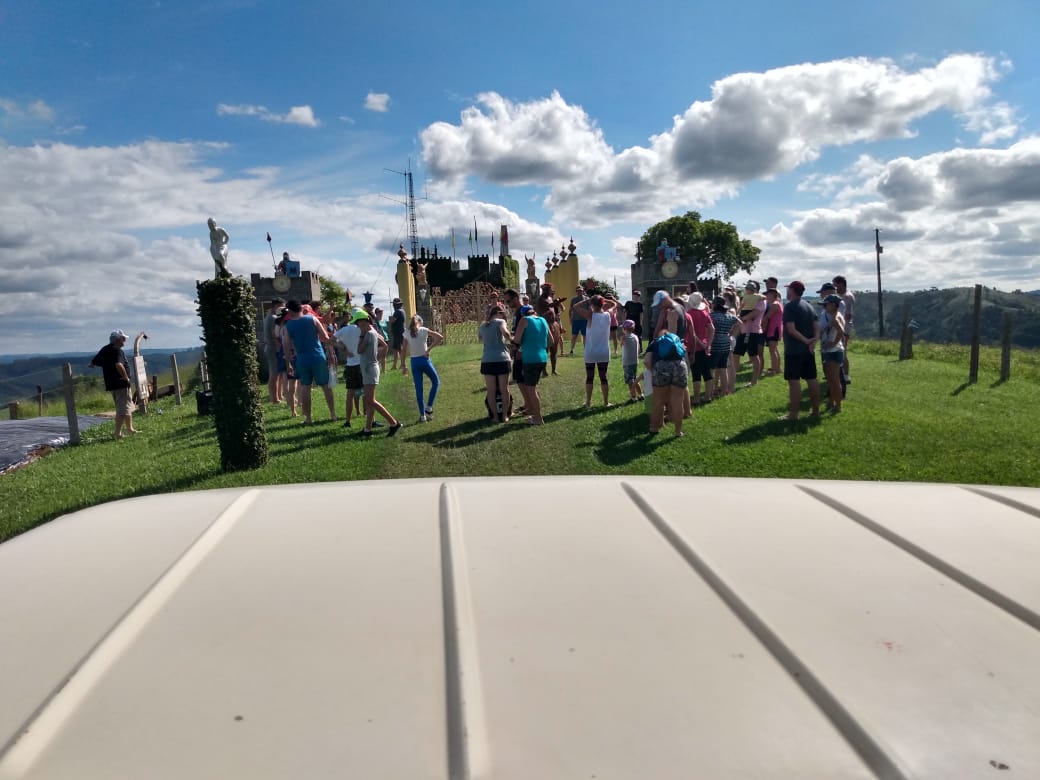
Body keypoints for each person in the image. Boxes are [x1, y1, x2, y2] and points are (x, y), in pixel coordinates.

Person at [281, 299, 337, 425]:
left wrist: (288, 363)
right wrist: (331, 352)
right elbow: (325, 337)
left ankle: (308, 418)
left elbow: (286, 345)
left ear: (290, 311)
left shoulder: (288, 326)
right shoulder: (312, 319)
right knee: (326, 386)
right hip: (318, 356)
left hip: (302, 359)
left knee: (305, 387)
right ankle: (333, 414)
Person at [353, 310, 402, 437]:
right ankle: (367, 430)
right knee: (370, 401)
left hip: (370, 370)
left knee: (370, 400)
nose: (357, 326)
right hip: (370, 368)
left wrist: (361, 335)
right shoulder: (373, 332)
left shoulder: (368, 333)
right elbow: (384, 345)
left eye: (358, 323)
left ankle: (394, 423)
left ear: (364, 321)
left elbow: (359, 350)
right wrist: (377, 358)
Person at [781, 281, 821, 421]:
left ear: (792, 290)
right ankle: (815, 411)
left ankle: (793, 414)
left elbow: (791, 329)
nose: (787, 291)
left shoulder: (789, 307)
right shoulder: (809, 306)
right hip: (808, 351)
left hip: (794, 350)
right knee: (812, 379)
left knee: (794, 381)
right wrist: (813, 341)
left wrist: (806, 341)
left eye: (788, 289)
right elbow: (817, 326)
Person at [88, 330, 138, 439]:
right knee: (122, 409)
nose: (124, 341)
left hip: (111, 384)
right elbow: (119, 365)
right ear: (117, 340)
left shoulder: (105, 349)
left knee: (126, 406)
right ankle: (117, 433)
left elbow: (92, 363)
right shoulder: (117, 350)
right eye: (123, 339)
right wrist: (125, 377)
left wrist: (106, 365)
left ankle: (130, 429)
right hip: (121, 383)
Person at [572, 294, 617, 408]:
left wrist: (587, 299)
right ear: (602, 303)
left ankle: (588, 402)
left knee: (590, 377)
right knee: (604, 377)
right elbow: (614, 304)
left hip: (591, 351)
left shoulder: (590, 315)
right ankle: (606, 402)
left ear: (592, 304)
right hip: (604, 351)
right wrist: (605, 299)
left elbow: (575, 306)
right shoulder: (608, 314)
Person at [645, 329, 688, 437]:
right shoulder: (678, 341)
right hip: (680, 366)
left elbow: (646, 361)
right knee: (678, 401)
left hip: (661, 367)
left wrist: (653, 371)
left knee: (658, 401)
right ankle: (678, 431)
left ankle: (654, 428)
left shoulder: (655, 342)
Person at [402, 314, 444, 422]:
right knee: (436, 382)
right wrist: (428, 349)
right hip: (424, 360)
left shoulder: (407, 333)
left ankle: (422, 415)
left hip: (414, 362)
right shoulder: (423, 330)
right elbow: (440, 337)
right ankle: (429, 407)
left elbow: (403, 349)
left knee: (419, 389)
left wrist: (403, 365)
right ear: (420, 322)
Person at [512, 305, 549, 424]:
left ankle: (538, 418)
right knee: (533, 387)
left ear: (523, 314)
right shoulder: (543, 320)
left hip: (530, 359)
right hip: (542, 358)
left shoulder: (524, 320)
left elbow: (516, 340)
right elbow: (551, 341)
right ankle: (535, 414)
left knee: (531, 390)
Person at [478, 304, 513, 423]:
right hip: (502, 359)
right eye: (503, 314)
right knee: (504, 389)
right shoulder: (500, 322)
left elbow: (481, 339)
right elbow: (505, 333)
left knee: (491, 390)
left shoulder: (483, 325)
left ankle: (495, 417)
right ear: (498, 313)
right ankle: (505, 416)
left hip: (487, 359)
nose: (504, 316)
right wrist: (512, 340)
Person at [334, 312, 364, 427]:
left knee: (350, 394)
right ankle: (369, 416)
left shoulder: (343, 330)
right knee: (366, 392)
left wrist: (344, 349)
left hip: (350, 364)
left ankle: (348, 420)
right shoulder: (361, 329)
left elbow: (330, 340)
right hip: (361, 363)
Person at [685, 292, 716, 404]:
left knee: (696, 373)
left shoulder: (689, 314)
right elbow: (712, 329)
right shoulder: (705, 313)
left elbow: (692, 334)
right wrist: (708, 344)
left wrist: (700, 344)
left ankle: (696, 398)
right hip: (705, 346)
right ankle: (708, 396)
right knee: (707, 372)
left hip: (693, 347)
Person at [736, 280, 766, 386]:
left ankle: (754, 381)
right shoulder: (747, 298)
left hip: (753, 331)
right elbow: (741, 308)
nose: (747, 289)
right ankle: (732, 377)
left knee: (753, 355)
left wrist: (742, 318)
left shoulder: (760, 300)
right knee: (736, 354)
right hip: (743, 330)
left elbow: (755, 313)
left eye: (749, 288)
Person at [709, 296, 740, 398]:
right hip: (726, 344)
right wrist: (732, 334)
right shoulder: (729, 316)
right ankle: (723, 392)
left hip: (714, 344)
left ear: (715, 305)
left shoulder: (711, 316)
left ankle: (710, 392)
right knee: (723, 368)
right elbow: (739, 323)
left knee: (712, 369)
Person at [820, 294, 846, 414]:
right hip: (830, 351)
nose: (825, 307)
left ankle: (838, 406)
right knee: (830, 380)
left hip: (834, 351)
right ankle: (831, 401)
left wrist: (833, 343)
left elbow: (841, 331)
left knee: (835, 381)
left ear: (834, 305)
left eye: (827, 304)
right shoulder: (836, 315)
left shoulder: (835, 318)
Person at [262, 297, 285, 403]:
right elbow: (274, 335)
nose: (283, 309)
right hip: (273, 348)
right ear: (276, 306)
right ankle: (274, 399)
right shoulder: (273, 317)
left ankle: (279, 396)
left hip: (271, 348)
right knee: (274, 374)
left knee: (278, 373)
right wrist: (281, 348)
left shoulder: (269, 316)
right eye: (282, 306)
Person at [833, 275, 855, 384]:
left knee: (843, 351)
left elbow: (848, 315)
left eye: (835, 285)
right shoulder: (840, 295)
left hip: (844, 328)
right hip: (839, 327)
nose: (834, 287)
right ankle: (837, 373)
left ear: (841, 284)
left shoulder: (847, 297)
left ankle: (846, 376)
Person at [761, 288, 784, 377]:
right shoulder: (778, 303)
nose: (766, 296)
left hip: (774, 329)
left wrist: (759, 324)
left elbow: (767, 317)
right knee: (774, 349)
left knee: (772, 350)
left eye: (768, 294)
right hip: (775, 329)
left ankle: (774, 370)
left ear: (772, 295)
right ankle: (777, 368)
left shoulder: (774, 304)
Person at [620, 320, 643, 402]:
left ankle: (633, 397)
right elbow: (639, 349)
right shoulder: (636, 337)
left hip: (627, 362)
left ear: (624, 329)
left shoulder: (624, 337)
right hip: (635, 361)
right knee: (635, 378)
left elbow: (621, 345)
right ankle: (641, 394)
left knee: (630, 381)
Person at [567, 286, 588, 355]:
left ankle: (586, 351)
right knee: (574, 336)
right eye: (578, 291)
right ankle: (571, 350)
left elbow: (589, 310)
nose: (579, 292)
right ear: (576, 292)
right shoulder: (573, 299)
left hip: (584, 320)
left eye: (581, 291)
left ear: (583, 291)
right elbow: (570, 310)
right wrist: (570, 319)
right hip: (575, 320)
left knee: (585, 336)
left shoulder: (587, 299)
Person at [388, 298, 406, 370]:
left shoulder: (397, 311)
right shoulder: (402, 310)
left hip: (399, 333)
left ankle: (403, 364)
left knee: (400, 349)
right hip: (399, 332)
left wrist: (390, 319)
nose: (393, 306)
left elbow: (393, 320)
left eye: (394, 305)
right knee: (395, 349)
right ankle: (394, 365)